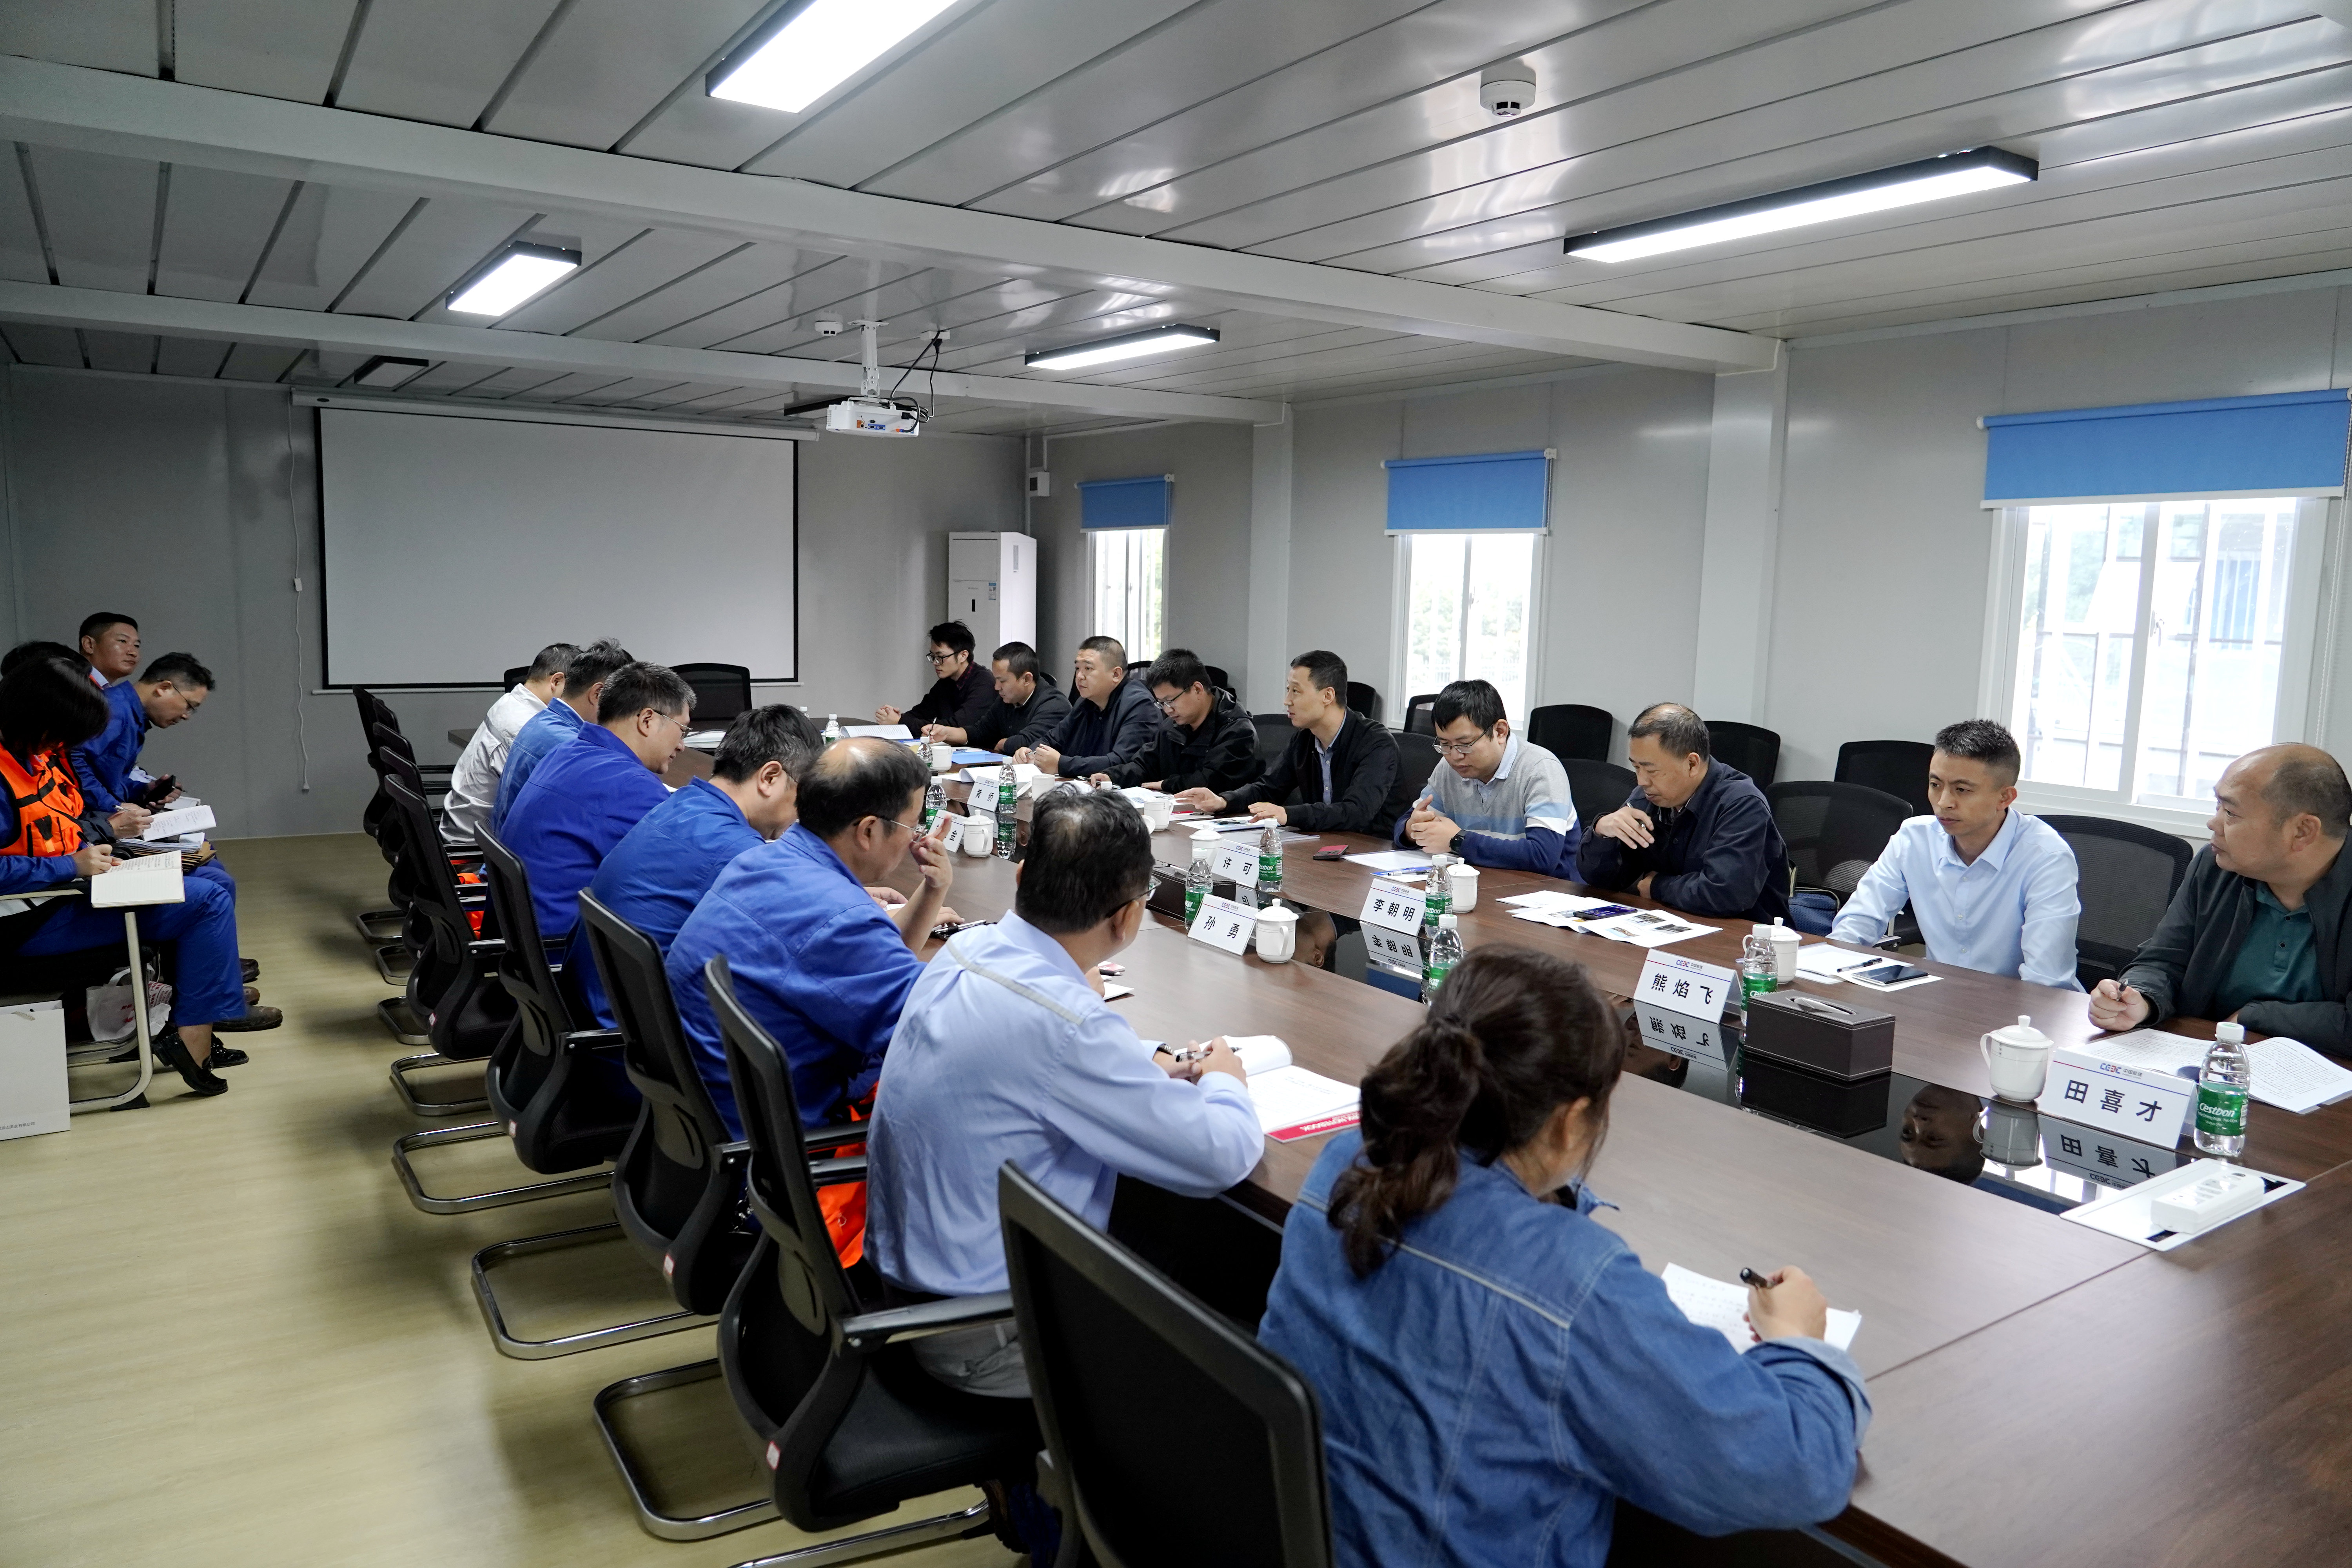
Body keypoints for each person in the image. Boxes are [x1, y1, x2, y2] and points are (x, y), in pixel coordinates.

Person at [1256, 946, 1869, 1568]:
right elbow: (1799, 1471)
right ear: (1569, 1122)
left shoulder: (1347, 1164)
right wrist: (1799, 1340)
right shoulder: (1574, 1283)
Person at [866, 790, 1262, 1397]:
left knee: (1176, 1239)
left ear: (1022, 877)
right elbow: (1220, 1154)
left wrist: (1150, 1058)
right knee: (1241, 1308)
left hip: (915, 1292)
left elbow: (1039, 1054)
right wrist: (1226, 1079)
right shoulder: (1065, 1025)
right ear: (1129, 917)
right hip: (991, 1335)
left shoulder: (967, 950)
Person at [0, 653, 266, 1096]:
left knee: (205, 887)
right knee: (206, 900)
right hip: (29, 921)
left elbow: (61, 822)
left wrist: (100, 851)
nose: (62, 749)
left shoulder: (29, 756)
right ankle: (192, 1038)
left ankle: (189, 1026)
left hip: (63, 891)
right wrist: (72, 864)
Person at [666, 738, 953, 1141]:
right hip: (785, 1141)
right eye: (912, 826)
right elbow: (937, 1032)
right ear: (869, 830)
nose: (914, 840)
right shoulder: (840, 920)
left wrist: (934, 889)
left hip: (706, 1120)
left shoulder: (758, 861)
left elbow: (873, 973)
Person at [2090, 744, 2352, 1054]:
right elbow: (2164, 959)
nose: (2213, 824)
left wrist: (2256, 1016)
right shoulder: (2216, 868)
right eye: (2218, 807)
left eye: (2230, 813)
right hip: (2206, 1056)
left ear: (2302, 831)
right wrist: (2140, 999)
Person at [572, 704, 822, 1026]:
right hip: (636, 1035)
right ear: (770, 777)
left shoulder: (682, 803)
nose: (802, 813)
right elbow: (803, 943)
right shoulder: (738, 851)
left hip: (597, 1009)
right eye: (804, 796)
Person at [1831, 719, 2082, 990]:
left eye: (1962, 790)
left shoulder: (2046, 858)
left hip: (2018, 1006)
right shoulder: (1914, 839)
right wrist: (1829, 971)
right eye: (1935, 784)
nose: (1943, 802)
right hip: (1940, 995)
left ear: (2005, 798)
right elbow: (1857, 923)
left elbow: (2045, 982)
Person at [499, 662, 693, 947]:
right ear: (647, 720)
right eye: (682, 730)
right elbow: (679, 879)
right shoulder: (630, 786)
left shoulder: (566, 752)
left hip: (525, 943)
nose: (682, 745)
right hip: (562, 950)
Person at [1578, 703, 1790, 924]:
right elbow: (1603, 881)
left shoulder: (1742, 805)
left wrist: (1657, 886)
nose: (1642, 781)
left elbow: (1725, 895)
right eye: (1637, 768)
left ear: (1692, 764)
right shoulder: (1646, 798)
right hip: (1672, 923)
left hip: (1746, 935)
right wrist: (1602, 832)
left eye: (1651, 771)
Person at [1175, 650, 1413, 834]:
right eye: (1288, 690)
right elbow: (1268, 788)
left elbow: (1357, 812)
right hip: (1324, 843)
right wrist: (1223, 801)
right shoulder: (1305, 738)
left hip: (1373, 850)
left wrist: (1287, 815)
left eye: (1296, 692)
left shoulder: (1376, 743)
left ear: (1328, 696)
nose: (1287, 701)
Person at [1395, 679, 1581, 875]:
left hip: (1547, 888)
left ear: (1500, 732)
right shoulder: (1449, 767)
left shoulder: (1540, 769)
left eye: (1465, 744)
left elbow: (1543, 856)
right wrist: (1412, 829)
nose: (1455, 756)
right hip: (1484, 879)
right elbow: (1405, 824)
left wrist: (1457, 840)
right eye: (1445, 744)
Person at [491, 639, 632, 833]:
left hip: (508, 843)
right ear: (598, 694)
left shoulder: (540, 720)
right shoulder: (572, 746)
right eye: (622, 704)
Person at [444, 643, 576, 842]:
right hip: (476, 846)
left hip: (466, 827)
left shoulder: (511, 701)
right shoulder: (527, 725)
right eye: (575, 690)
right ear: (557, 681)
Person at [69, 652, 212, 824]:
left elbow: (109, 781)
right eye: (189, 706)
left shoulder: (131, 715)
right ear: (165, 688)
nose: (186, 716)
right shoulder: (114, 710)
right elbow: (71, 761)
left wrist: (143, 791)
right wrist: (115, 807)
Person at [1095, 648, 1259, 795]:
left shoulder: (1237, 730)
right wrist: (1112, 777)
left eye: (1170, 701)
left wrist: (1166, 784)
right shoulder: (1172, 725)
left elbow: (1211, 782)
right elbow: (1146, 764)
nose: (1167, 710)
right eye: (1161, 703)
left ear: (1197, 689)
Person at [1014, 636, 1162, 780]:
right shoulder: (1085, 702)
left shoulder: (1141, 706)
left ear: (1116, 674)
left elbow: (1122, 763)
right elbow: (1052, 739)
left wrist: (1062, 765)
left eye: (1088, 668)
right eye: (1077, 668)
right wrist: (1030, 752)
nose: (1079, 676)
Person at [929, 641, 1068, 754]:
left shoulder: (1054, 704)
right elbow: (981, 730)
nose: (997, 687)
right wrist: (947, 733)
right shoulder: (1007, 700)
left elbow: (1030, 743)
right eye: (996, 679)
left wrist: (1003, 743)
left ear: (1026, 679)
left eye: (1002, 681)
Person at [878, 620, 993, 737]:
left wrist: (900, 722)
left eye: (940, 657)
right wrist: (897, 717)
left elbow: (955, 727)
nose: (935, 663)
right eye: (933, 657)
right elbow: (920, 713)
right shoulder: (946, 682)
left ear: (963, 656)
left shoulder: (984, 683)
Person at [78, 613, 140, 687]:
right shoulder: (69, 685)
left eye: (137, 645)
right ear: (89, 645)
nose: (134, 653)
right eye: (123, 641)